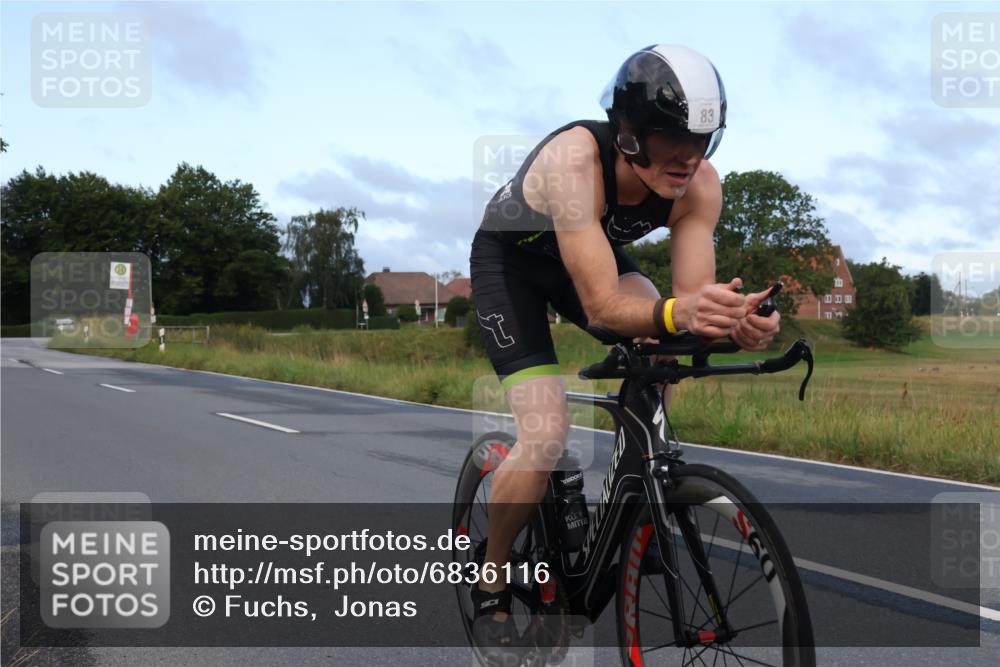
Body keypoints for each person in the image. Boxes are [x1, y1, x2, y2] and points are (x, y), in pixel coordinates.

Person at [467, 44, 781, 657]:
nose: (689, 158)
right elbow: (605, 304)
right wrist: (679, 311)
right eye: (672, 140)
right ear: (631, 135)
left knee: (664, 341)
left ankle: (640, 493)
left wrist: (734, 322)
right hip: (514, 268)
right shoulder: (574, 161)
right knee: (547, 432)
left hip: (588, 258)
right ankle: (492, 570)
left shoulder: (699, 187)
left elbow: (688, 309)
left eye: (704, 141)